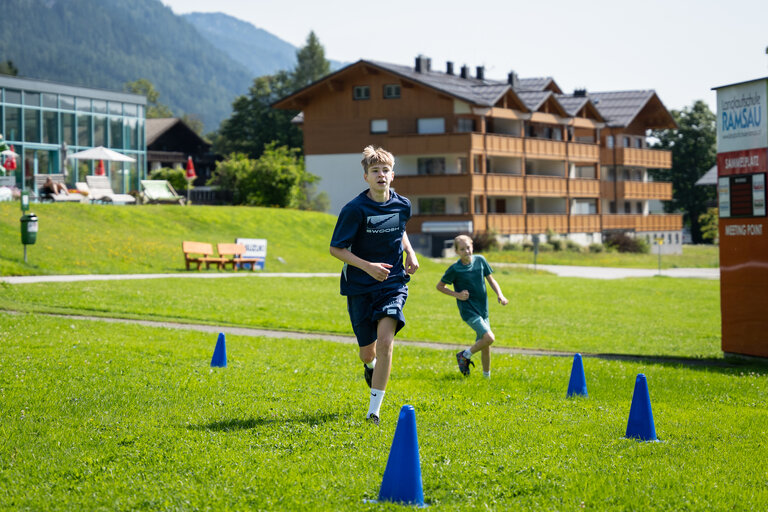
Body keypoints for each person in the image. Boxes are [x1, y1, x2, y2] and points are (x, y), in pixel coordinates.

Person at [329, 145, 419, 425]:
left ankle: (374, 412)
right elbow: (336, 249)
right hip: (359, 285)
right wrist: (368, 267)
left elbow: (400, 228)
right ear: (366, 177)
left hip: (392, 283)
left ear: (393, 175)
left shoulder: (403, 204)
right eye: (375, 171)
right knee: (368, 352)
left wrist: (410, 252)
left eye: (385, 170)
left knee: (385, 342)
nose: (381, 175)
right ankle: (369, 366)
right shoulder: (354, 210)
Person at [437, 234, 508, 378]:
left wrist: (500, 294)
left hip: (483, 310)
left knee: (485, 345)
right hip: (469, 311)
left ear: (472, 247)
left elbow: (491, 280)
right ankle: (465, 355)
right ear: (457, 251)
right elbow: (440, 286)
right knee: (489, 338)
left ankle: (486, 378)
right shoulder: (455, 269)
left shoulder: (480, 261)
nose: (466, 251)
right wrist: (457, 294)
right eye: (462, 249)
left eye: (468, 248)